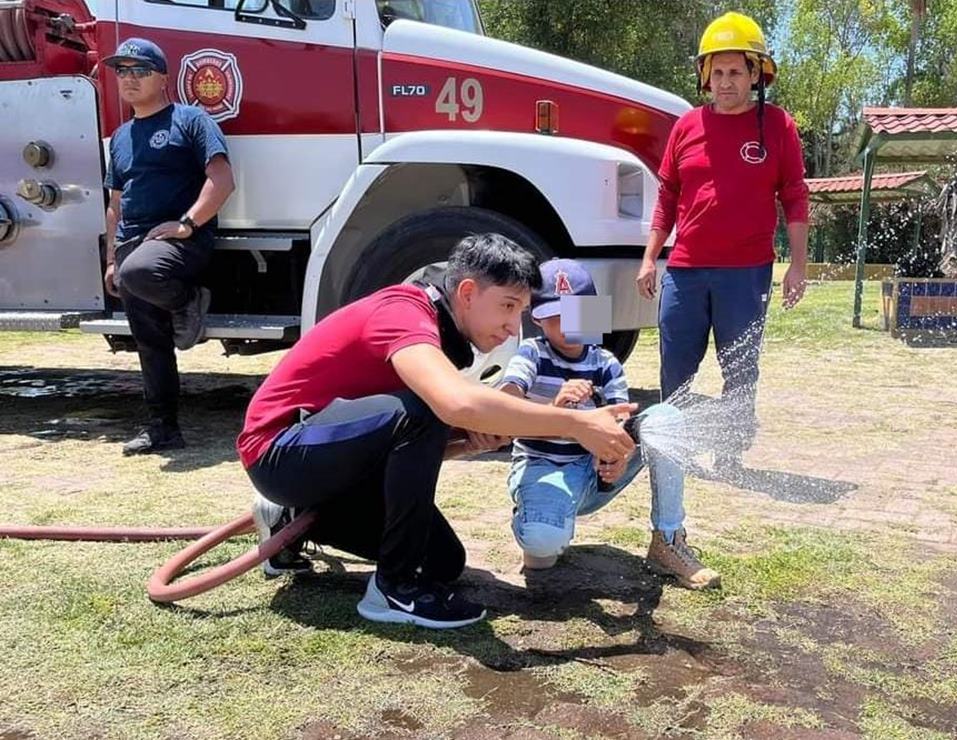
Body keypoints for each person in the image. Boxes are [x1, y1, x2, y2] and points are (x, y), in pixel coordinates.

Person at [239, 236, 638, 629]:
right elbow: (452, 406)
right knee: (427, 410)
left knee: (443, 562)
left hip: (331, 463)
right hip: (279, 450)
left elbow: (405, 444)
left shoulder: (441, 332)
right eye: (507, 306)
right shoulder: (404, 312)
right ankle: (394, 590)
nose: (512, 326)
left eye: (521, 311)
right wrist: (574, 423)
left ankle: (293, 516)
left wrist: (466, 442)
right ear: (467, 292)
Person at [635, 11, 809, 472]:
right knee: (676, 365)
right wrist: (649, 258)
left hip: (746, 273)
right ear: (705, 77)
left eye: (735, 71)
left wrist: (798, 265)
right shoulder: (687, 126)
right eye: (718, 72)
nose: (726, 82)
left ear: (756, 75)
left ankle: (730, 455)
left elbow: (794, 195)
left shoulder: (778, 125)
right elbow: (667, 196)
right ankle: (675, 451)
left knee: (740, 367)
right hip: (686, 270)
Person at [500, 259, 720, 589]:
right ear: (536, 318)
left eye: (576, 314)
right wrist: (555, 408)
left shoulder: (605, 362)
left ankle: (668, 540)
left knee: (666, 420)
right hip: (545, 468)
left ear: (592, 313)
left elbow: (620, 421)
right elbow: (505, 405)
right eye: (555, 316)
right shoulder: (531, 353)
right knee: (541, 550)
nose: (567, 325)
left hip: (595, 472)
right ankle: (536, 519)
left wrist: (620, 455)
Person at [102, 38, 235, 455]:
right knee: (149, 341)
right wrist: (111, 259)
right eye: (122, 71)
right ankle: (163, 429)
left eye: (140, 70)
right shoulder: (120, 137)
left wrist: (186, 223)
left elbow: (222, 180)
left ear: (163, 78)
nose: (129, 78)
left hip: (180, 242)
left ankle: (187, 300)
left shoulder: (191, 120)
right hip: (132, 244)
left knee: (139, 272)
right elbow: (115, 204)